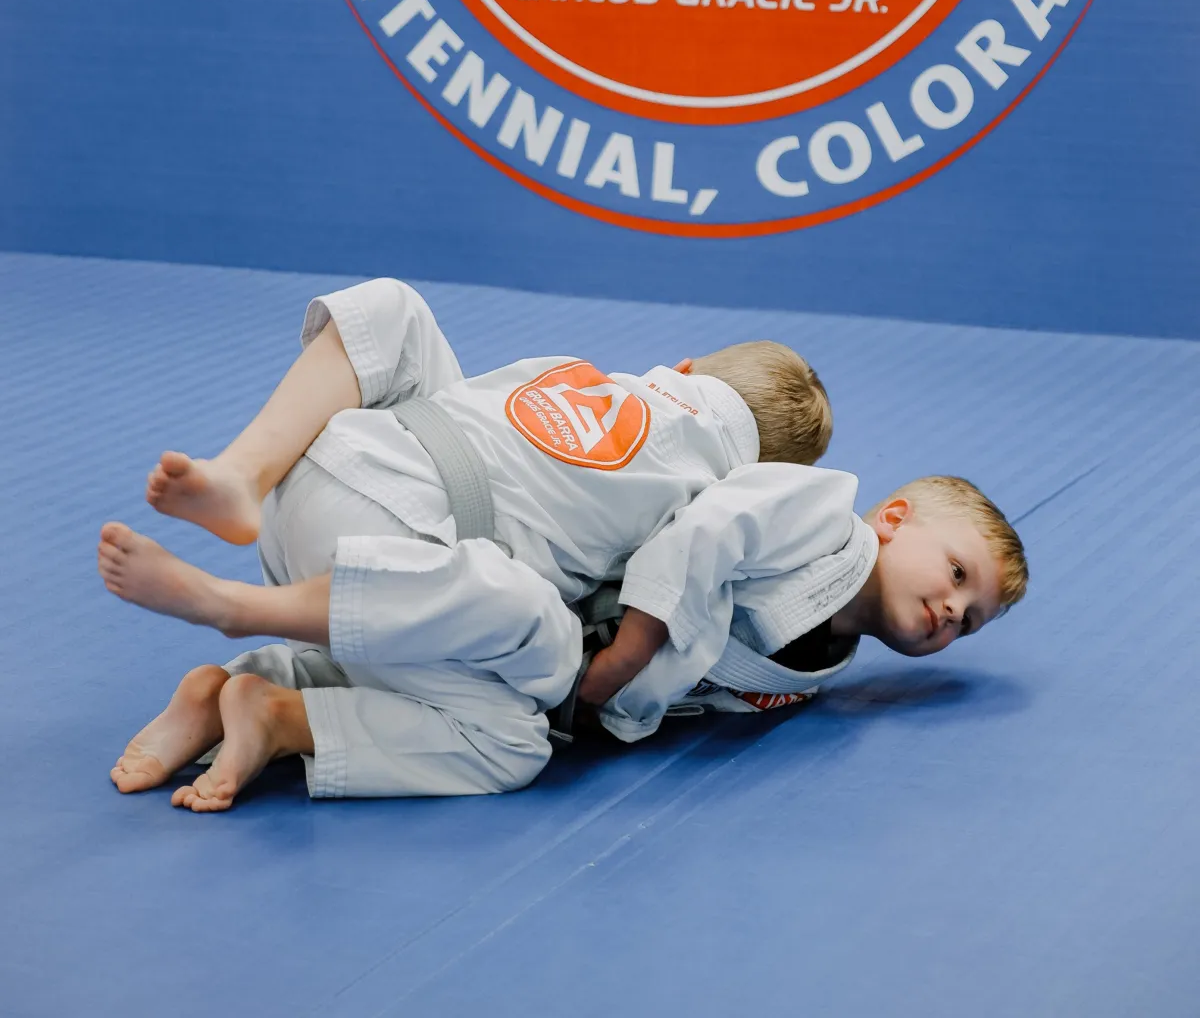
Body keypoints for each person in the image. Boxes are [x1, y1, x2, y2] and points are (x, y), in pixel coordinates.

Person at [97, 279, 1026, 810]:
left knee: (396, 313)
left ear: (692, 371)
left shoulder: (588, 381)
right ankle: (235, 623)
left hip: (341, 479)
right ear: (892, 516)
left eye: (969, 620)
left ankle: (238, 678)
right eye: (958, 575)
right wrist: (627, 657)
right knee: (509, 729)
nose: (953, 610)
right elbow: (704, 535)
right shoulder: (804, 505)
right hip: (401, 546)